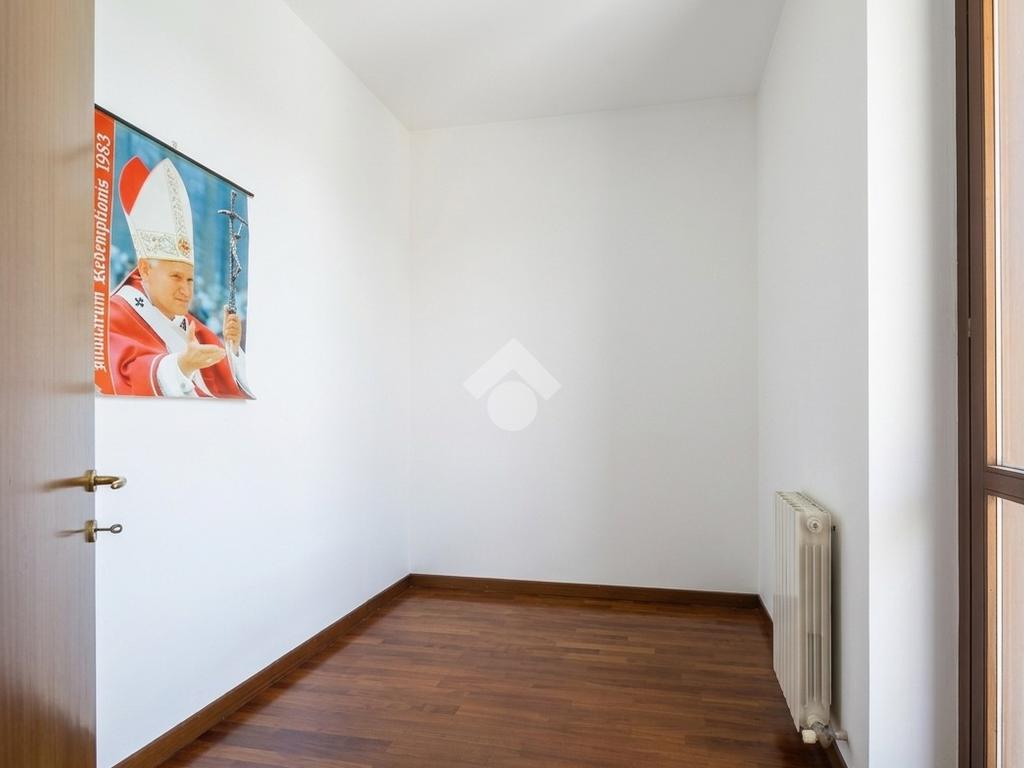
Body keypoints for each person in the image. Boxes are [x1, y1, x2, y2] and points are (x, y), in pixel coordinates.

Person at [107, 156, 253, 398]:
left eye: (190, 279)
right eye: (176, 276)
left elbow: (224, 387)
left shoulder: (189, 324)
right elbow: (123, 376)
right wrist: (181, 366)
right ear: (145, 269)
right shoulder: (114, 315)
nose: (186, 290)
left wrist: (232, 347)